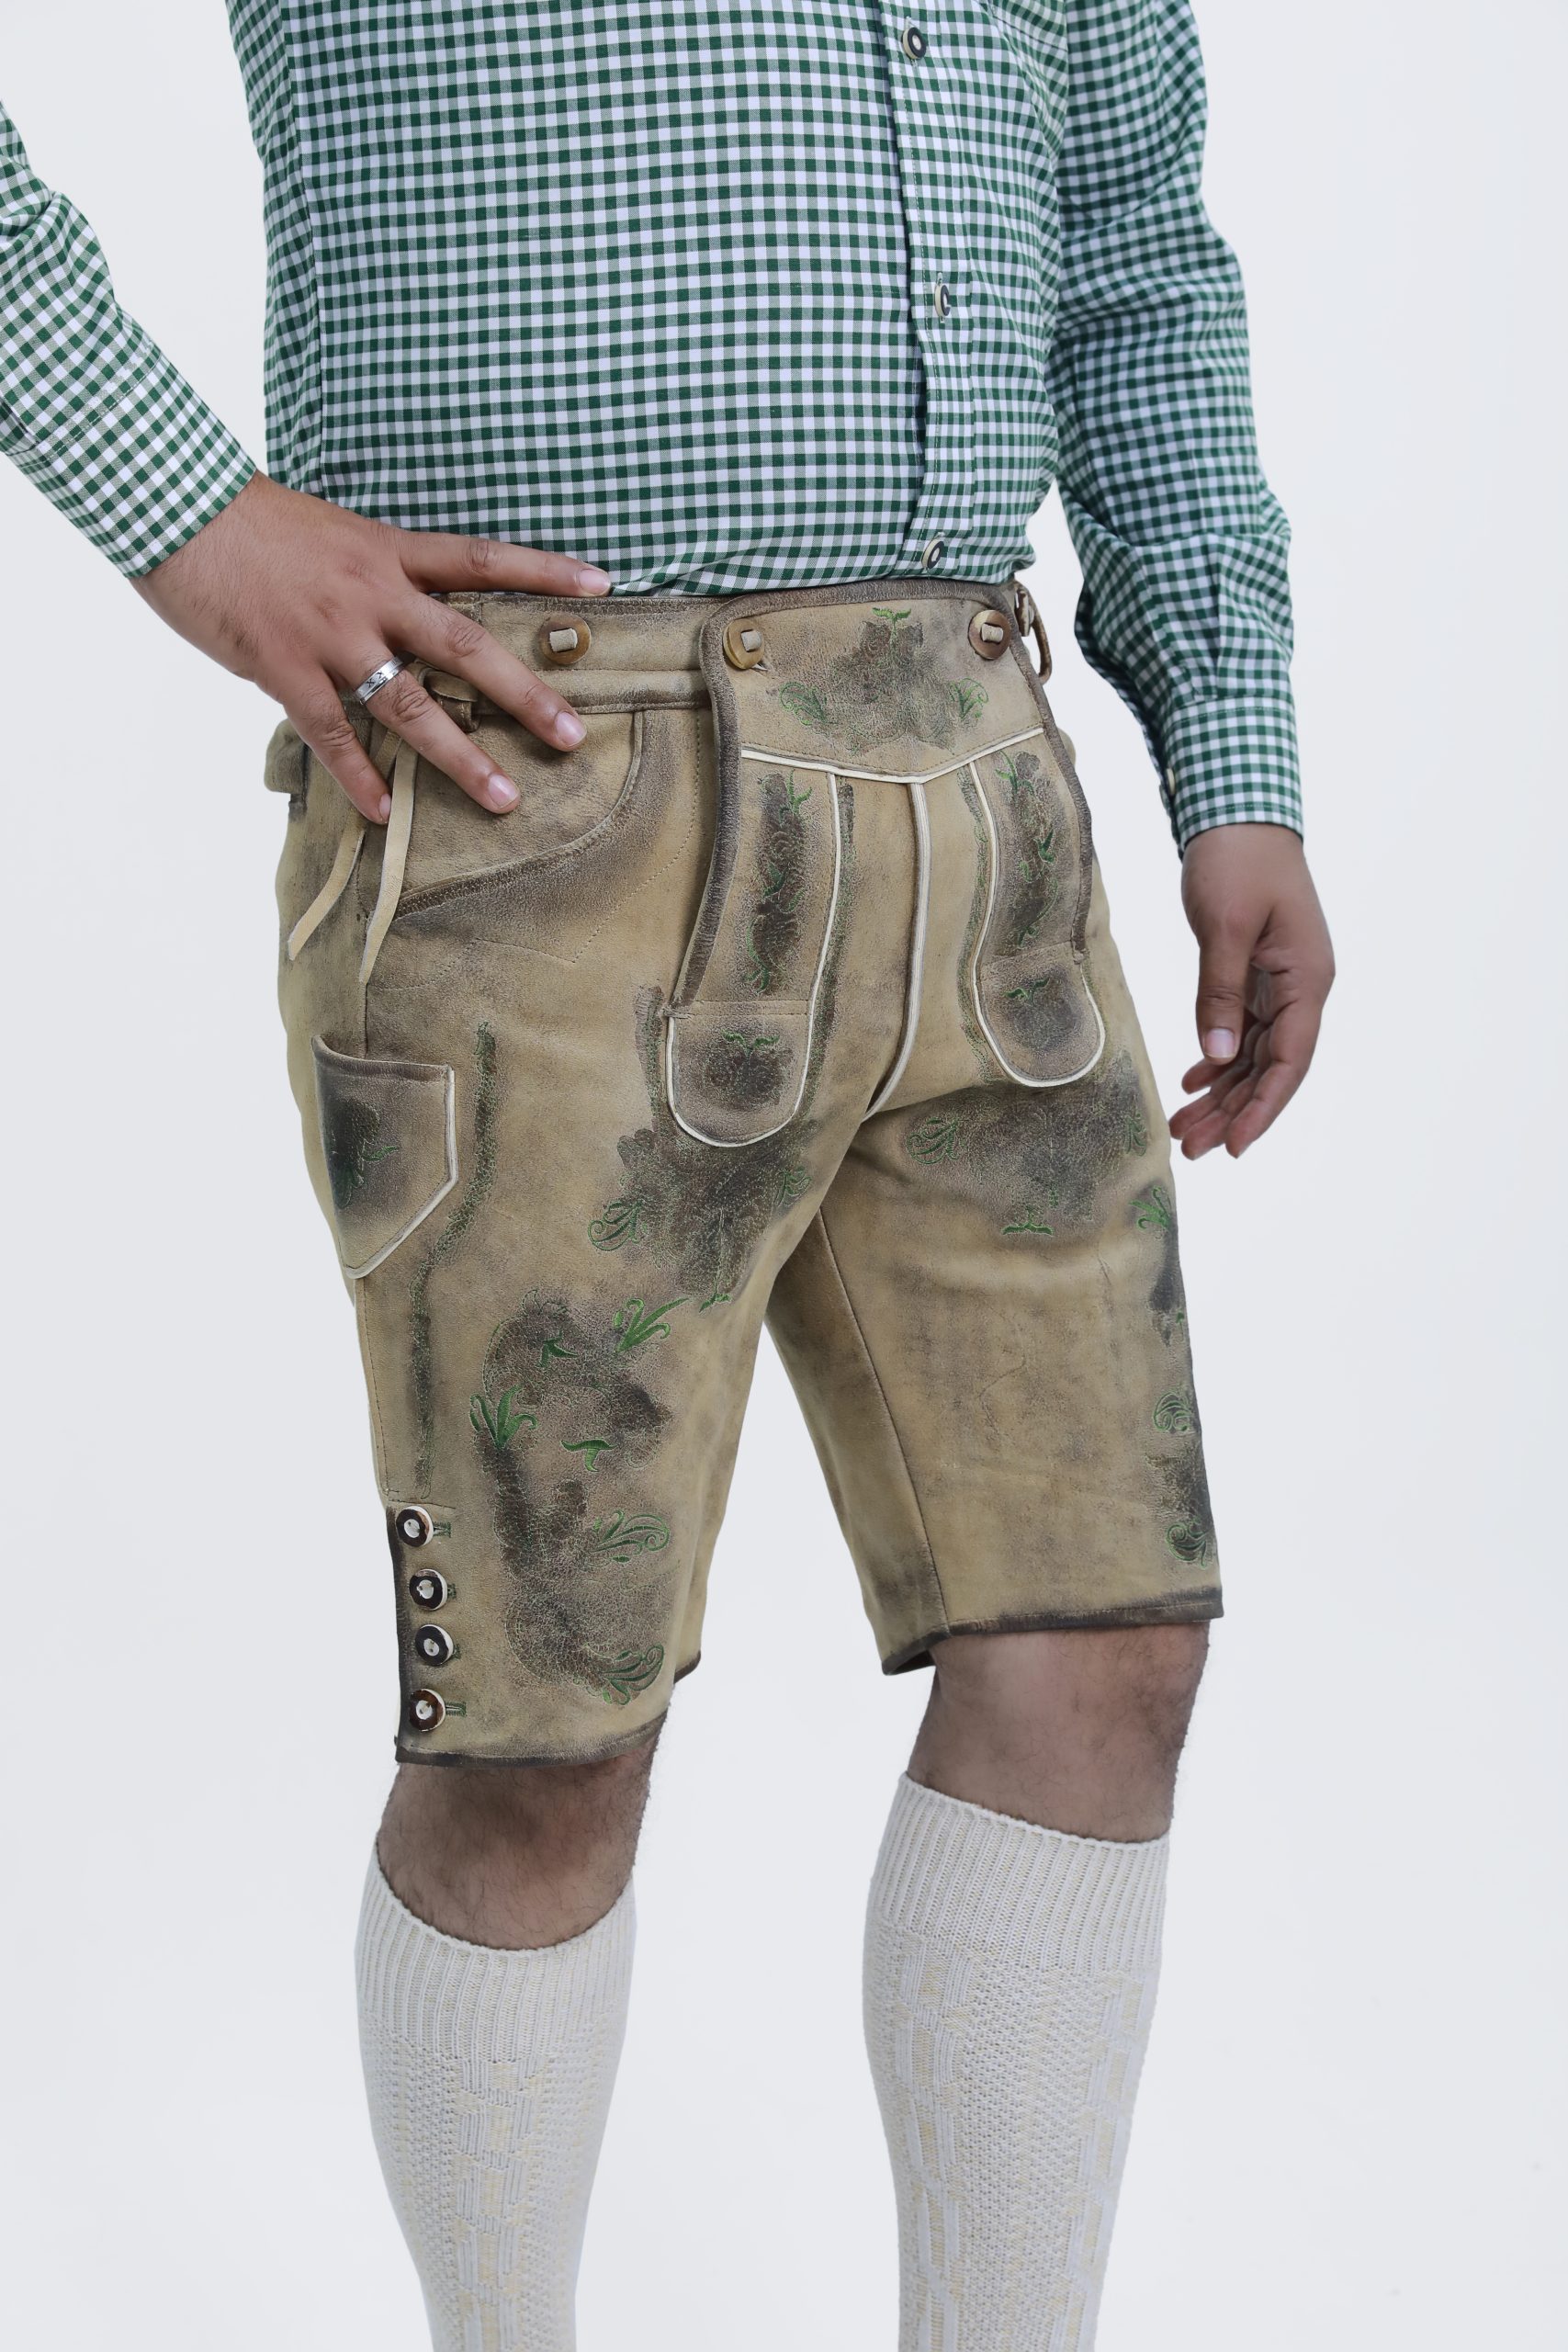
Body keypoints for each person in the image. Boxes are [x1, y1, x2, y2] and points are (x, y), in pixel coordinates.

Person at [2, 3, 1333, 2342]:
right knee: (543, 1734)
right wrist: (188, 512)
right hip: (539, 786)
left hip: (981, 802)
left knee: (1106, 1642)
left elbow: (1133, 253)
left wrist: (1231, 759)